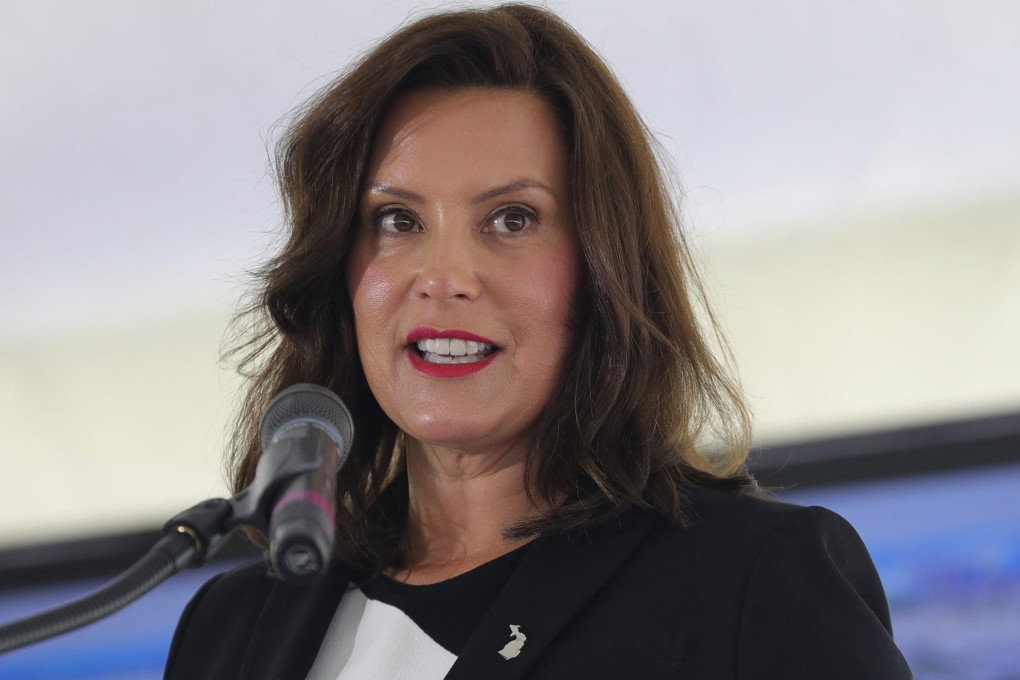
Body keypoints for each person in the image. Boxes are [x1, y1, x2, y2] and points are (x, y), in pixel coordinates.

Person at [164, 4, 912, 679]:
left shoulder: (754, 578)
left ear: (602, 268)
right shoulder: (230, 628)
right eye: (398, 221)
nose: (444, 278)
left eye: (511, 219)